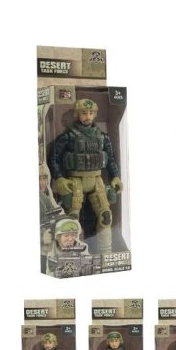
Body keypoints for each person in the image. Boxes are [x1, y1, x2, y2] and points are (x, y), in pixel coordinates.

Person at [48, 98, 123, 253]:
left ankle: (106, 254)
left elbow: (110, 159)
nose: (88, 116)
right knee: (72, 219)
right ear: (77, 114)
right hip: (75, 180)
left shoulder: (103, 137)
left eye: (91, 113)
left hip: (97, 180)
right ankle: (70, 252)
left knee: (106, 216)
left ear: (95, 114)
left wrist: (115, 176)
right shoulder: (69, 136)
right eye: (84, 113)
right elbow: (53, 158)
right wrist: (59, 178)